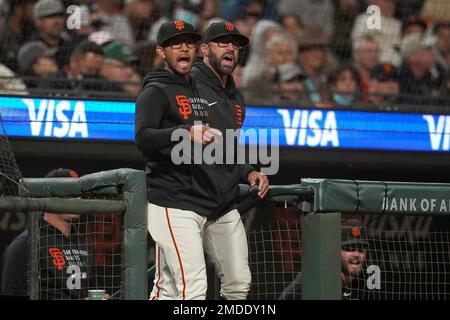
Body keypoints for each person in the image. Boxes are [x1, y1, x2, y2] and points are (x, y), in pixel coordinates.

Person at [135, 20, 268, 300]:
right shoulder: (184, 83)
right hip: (179, 198)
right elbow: (144, 137)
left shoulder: (232, 95)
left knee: (236, 284)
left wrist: (247, 172)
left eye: (236, 44)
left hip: (219, 203)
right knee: (183, 289)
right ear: (205, 50)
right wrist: (184, 132)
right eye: (223, 42)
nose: (231, 47)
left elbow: (222, 147)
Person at [0, 168, 108, 300]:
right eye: (70, 192)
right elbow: (12, 293)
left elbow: (89, 290)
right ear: (50, 196)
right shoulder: (26, 243)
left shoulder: (83, 242)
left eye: (79, 193)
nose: (78, 198)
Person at [278, 226, 369, 300]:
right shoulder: (316, 277)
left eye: (361, 250)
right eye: (350, 249)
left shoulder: (366, 280)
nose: (356, 254)